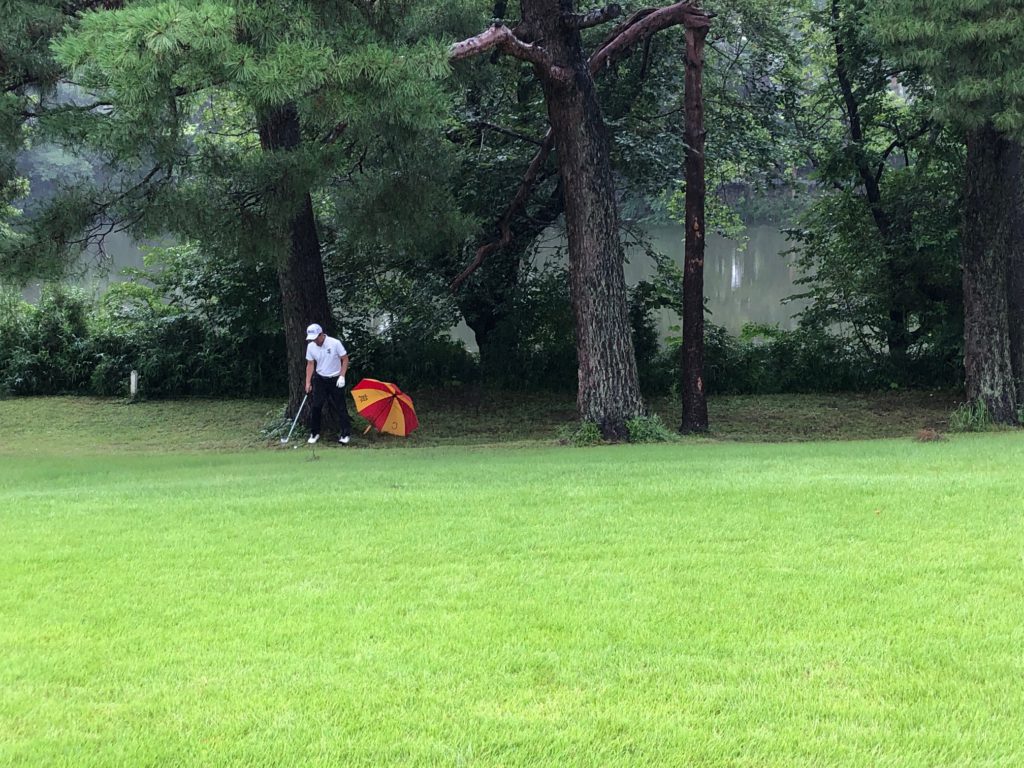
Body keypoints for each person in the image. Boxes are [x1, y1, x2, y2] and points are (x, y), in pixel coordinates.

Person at [303, 322, 352, 445]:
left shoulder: (334, 343)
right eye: (312, 339)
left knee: (340, 407)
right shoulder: (311, 346)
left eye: (316, 338)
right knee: (316, 406)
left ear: (321, 334)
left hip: (336, 379)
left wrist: (342, 376)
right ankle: (314, 433)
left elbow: (345, 359)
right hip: (320, 379)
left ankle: (345, 434)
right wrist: (308, 382)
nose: (314, 341)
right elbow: (310, 364)